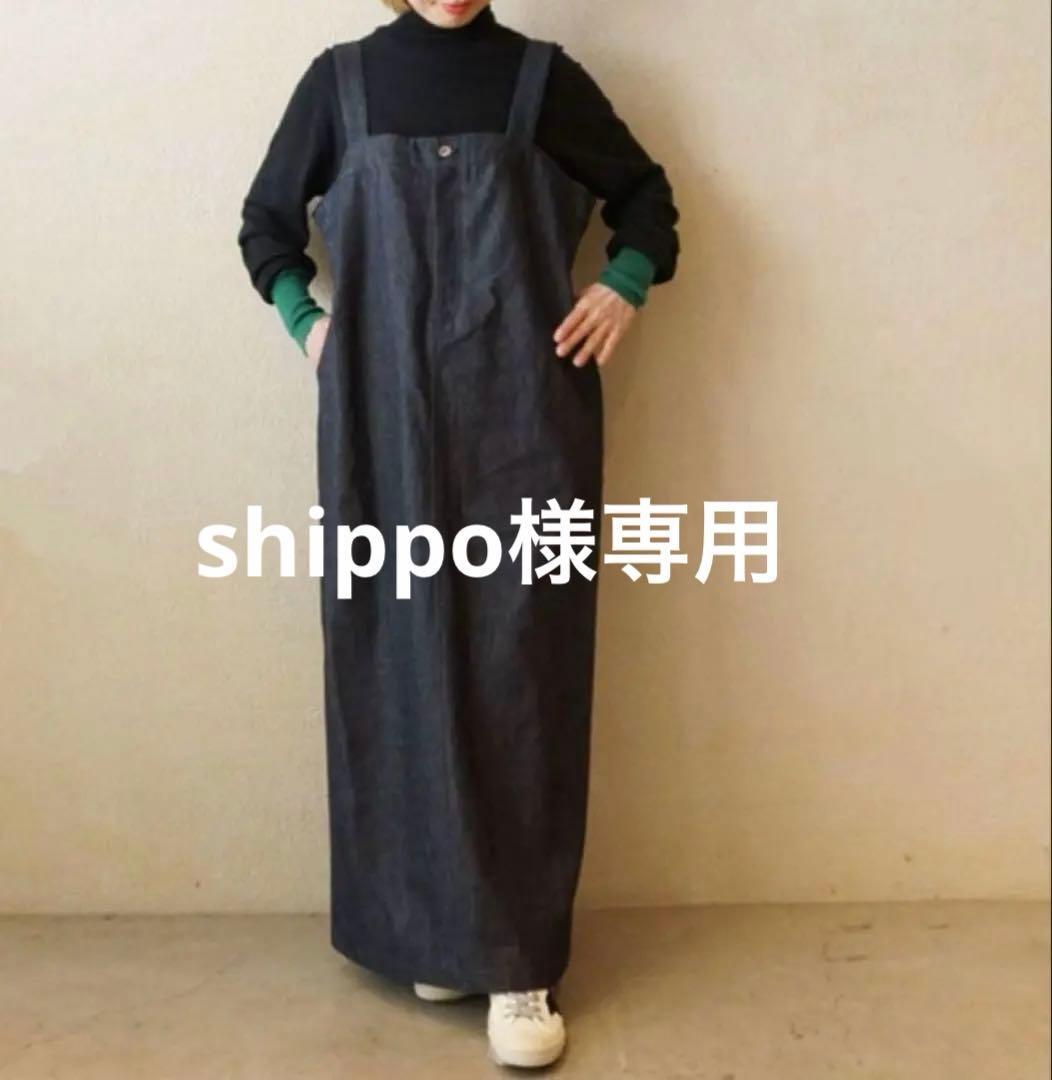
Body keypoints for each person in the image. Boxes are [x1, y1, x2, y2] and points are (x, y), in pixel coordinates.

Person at [238, 0, 680, 1068]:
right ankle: (435, 933)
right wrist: (310, 326)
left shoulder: (542, 79)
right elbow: (264, 226)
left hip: (525, 418)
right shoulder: (341, 83)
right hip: (378, 422)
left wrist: (622, 284)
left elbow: (646, 200)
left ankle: (518, 962)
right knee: (393, 659)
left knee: (520, 669)